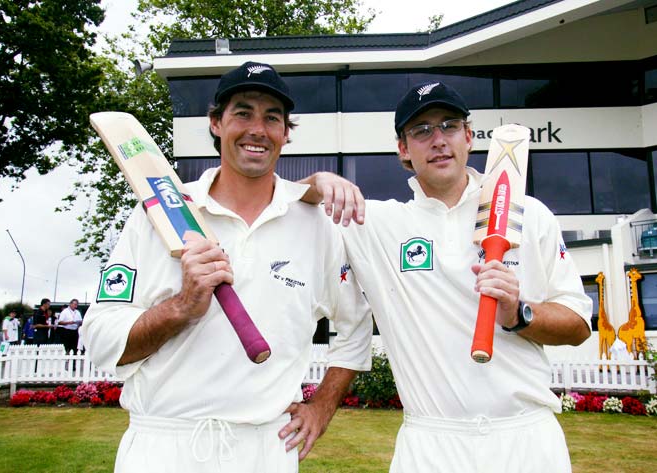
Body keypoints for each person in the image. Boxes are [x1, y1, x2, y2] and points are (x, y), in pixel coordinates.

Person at [82, 61, 372, 473]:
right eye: (243, 112)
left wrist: (321, 407)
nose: (258, 128)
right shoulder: (159, 214)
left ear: (285, 133)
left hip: (265, 450)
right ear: (216, 122)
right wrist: (181, 307)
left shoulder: (316, 223)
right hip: (164, 447)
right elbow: (100, 339)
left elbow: (356, 327)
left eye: (272, 118)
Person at [301, 81, 593, 473]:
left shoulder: (530, 214)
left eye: (449, 126)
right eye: (421, 131)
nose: (437, 139)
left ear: (469, 137)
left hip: (526, 439)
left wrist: (518, 314)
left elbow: (577, 326)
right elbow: (285, 200)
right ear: (403, 150)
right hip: (431, 443)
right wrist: (319, 181)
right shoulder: (376, 224)